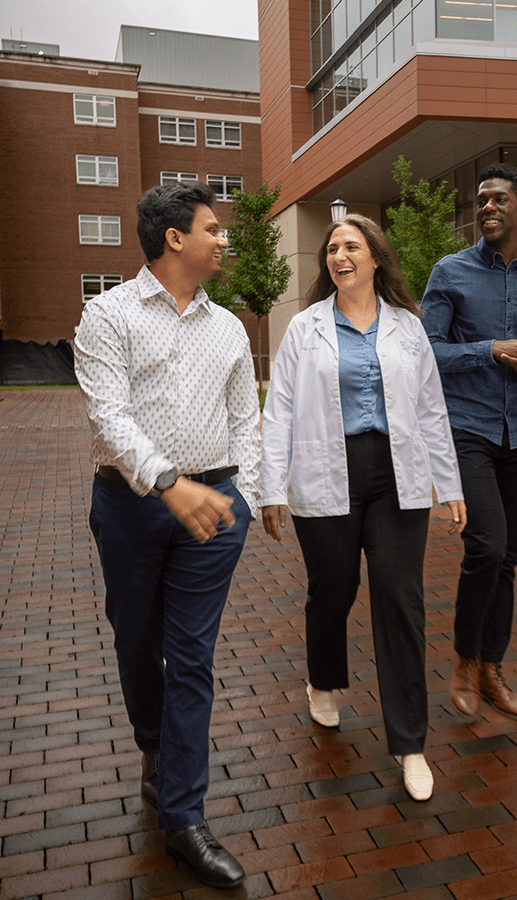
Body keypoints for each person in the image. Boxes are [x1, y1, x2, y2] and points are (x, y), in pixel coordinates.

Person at [74, 182, 260, 889]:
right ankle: (154, 749)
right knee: (136, 640)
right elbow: (109, 419)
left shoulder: (230, 328)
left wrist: (240, 493)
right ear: (176, 238)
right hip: (129, 507)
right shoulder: (108, 315)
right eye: (214, 228)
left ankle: (184, 817)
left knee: (190, 657)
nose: (224, 239)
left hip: (213, 509)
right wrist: (166, 483)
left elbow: (247, 417)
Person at [259, 214, 465, 802]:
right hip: (327, 470)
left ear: (376, 258)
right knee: (334, 586)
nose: (339, 255)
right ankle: (322, 679)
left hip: (396, 473)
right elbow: (279, 412)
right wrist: (272, 488)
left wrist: (449, 486)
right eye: (332, 248)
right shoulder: (305, 328)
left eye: (352, 246)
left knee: (400, 598)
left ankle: (410, 743)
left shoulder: (408, 328)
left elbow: (430, 410)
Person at [421, 163, 517, 723]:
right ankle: (462, 662)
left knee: (507, 557)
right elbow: (427, 351)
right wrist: (487, 350)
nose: (487, 208)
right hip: (469, 430)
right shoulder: (450, 272)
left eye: (499, 200)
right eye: (481, 200)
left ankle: (492, 669)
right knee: (485, 547)